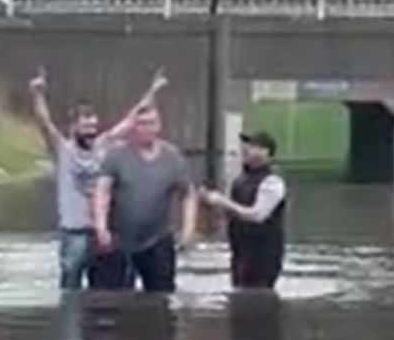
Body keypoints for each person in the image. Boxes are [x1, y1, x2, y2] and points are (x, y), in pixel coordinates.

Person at [29, 68, 168, 290]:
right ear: (73, 127)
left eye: (93, 126)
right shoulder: (62, 150)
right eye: (85, 127)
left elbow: (130, 121)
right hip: (73, 233)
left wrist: (152, 91)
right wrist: (37, 94)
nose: (91, 131)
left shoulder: (103, 146)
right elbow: (44, 123)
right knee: (70, 290)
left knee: (105, 290)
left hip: (101, 233)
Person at [92, 102, 197, 293]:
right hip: (119, 239)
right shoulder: (115, 156)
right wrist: (100, 226)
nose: (146, 129)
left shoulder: (172, 157)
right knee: (112, 299)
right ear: (133, 128)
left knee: (162, 296)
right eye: (141, 124)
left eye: (151, 123)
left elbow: (188, 194)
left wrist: (188, 229)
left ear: (159, 126)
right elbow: (102, 191)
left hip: (158, 238)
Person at [200, 131, 287, 290]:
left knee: (258, 297)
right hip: (240, 251)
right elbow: (233, 214)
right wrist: (212, 206)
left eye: (257, 147)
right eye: (249, 146)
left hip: (264, 253)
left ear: (268, 154)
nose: (249, 150)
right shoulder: (240, 180)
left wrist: (223, 202)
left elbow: (258, 215)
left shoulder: (272, 182)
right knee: (240, 292)